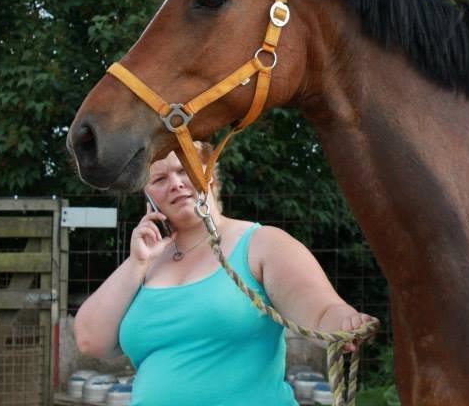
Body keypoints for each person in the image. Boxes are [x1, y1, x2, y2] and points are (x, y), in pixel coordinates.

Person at [74, 144, 376, 406]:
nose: (176, 184)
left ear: (210, 174)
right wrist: (136, 263)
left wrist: (342, 322)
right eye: (160, 179)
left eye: (185, 171)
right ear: (148, 196)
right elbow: (90, 341)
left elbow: (320, 310)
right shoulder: (144, 264)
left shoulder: (262, 244)